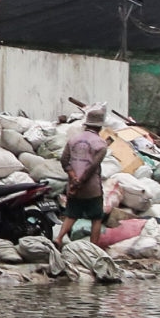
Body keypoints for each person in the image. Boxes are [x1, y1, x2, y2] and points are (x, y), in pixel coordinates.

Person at [52, 105, 111, 246]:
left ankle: (59, 238)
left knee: (72, 214)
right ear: (100, 127)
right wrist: (81, 181)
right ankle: (93, 247)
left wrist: (73, 179)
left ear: (87, 124)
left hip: (73, 186)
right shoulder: (101, 144)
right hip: (91, 187)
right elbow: (92, 167)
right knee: (96, 217)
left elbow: (64, 161)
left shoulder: (73, 140)